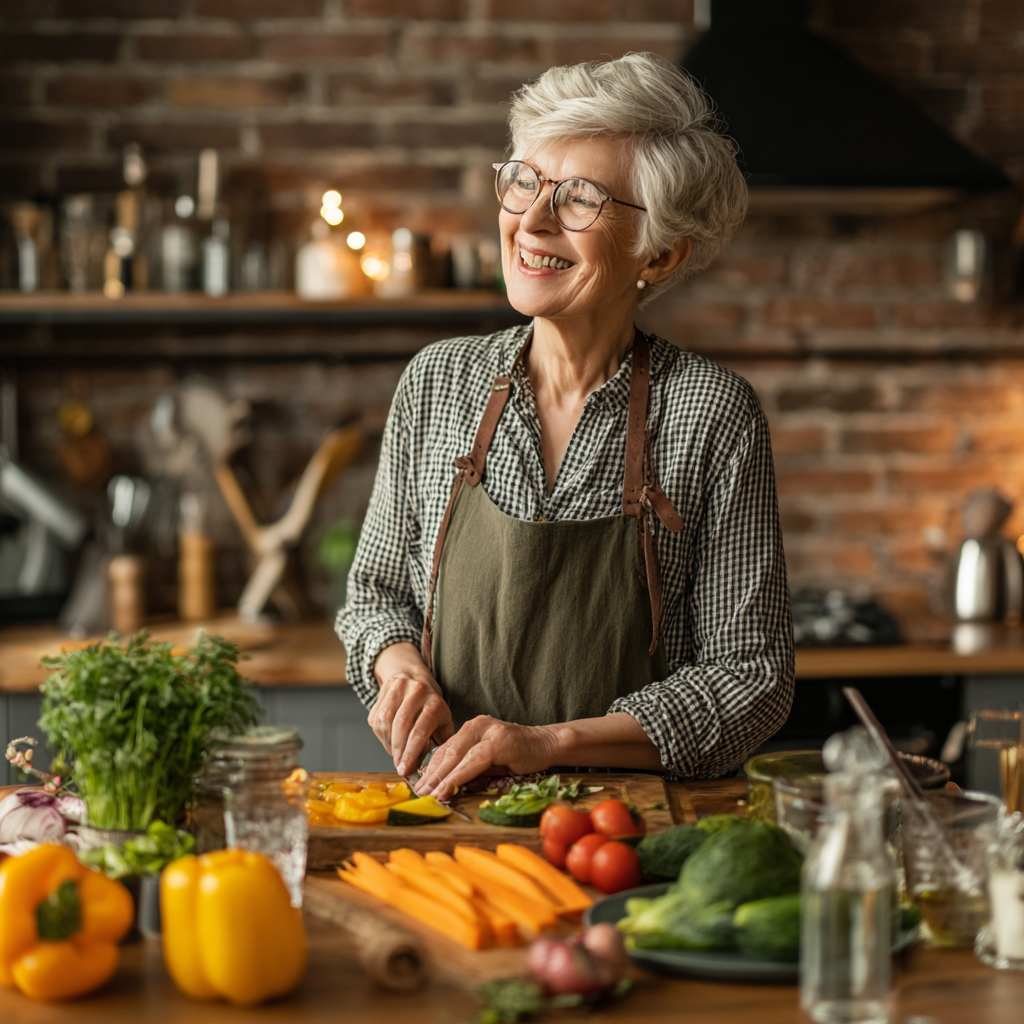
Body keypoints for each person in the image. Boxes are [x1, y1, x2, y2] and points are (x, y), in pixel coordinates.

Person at [337, 52, 793, 800]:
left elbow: (753, 679)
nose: (532, 220)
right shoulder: (437, 383)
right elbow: (376, 595)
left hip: (623, 829)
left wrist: (547, 745)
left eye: (579, 198)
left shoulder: (712, 413)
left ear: (660, 251)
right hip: (446, 810)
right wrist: (399, 668)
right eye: (523, 181)